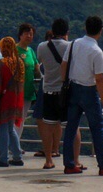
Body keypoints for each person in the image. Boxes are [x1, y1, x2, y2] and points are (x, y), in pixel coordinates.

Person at [60, 16, 103, 177]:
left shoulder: (73, 44)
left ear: (85, 28)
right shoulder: (96, 51)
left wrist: (64, 83)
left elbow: (64, 64)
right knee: (97, 128)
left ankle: (69, 164)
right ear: (101, 30)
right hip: (88, 90)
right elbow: (99, 78)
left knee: (70, 128)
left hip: (72, 88)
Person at [34, 19, 70, 170]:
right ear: (66, 32)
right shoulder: (70, 47)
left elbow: (39, 64)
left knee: (48, 126)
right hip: (65, 92)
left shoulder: (42, 46)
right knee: (70, 126)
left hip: (48, 90)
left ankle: (48, 160)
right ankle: (73, 160)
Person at [0, 36, 26, 167]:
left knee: (2, 127)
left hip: (5, 99)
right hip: (16, 98)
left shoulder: (2, 62)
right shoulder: (19, 62)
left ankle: (3, 158)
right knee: (10, 128)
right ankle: (17, 156)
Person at [16, 24, 38, 156]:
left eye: (31, 34)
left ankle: (16, 144)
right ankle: (14, 145)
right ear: (20, 35)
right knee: (16, 119)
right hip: (16, 91)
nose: (29, 36)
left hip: (28, 91)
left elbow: (36, 69)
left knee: (22, 119)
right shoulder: (15, 50)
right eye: (27, 33)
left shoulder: (31, 51)